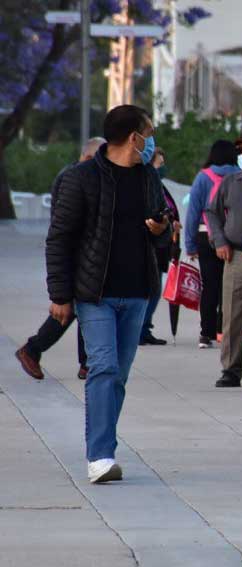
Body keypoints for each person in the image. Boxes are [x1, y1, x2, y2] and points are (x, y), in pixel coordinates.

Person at [45, 105, 170, 483]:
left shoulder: (148, 178)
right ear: (134, 137)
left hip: (138, 293)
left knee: (119, 377)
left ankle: (104, 442)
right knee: (103, 367)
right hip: (94, 293)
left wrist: (159, 228)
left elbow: (162, 230)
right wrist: (60, 294)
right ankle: (100, 455)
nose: (151, 141)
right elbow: (59, 238)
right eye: (148, 133)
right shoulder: (80, 179)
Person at [15, 136, 105, 381]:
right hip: (76, 254)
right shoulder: (75, 178)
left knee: (84, 306)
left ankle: (85, 362)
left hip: (83, 254)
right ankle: (33, 348)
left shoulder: (77, 175)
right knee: (74, 307)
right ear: (89, 156)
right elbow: (65, 227)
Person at [205, 148, 242, 387]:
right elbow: (211, 211)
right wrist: (219, 240)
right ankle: (230, 369)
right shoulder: (231, 181)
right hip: (236, 253)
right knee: (232, 313)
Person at [184, 140, 239, 348]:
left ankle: (205, 334)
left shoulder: (203, 177)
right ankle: (223, 331)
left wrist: (189, 245)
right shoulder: (239, 176)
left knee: (210, 287)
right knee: (230, 287)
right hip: (232, 237)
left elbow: (193, 213)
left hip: (205, 235)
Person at [139, 147, 181, 347]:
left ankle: (144, 327)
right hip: (153, 244)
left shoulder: (160, 186)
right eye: (160, 164)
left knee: (153, 289)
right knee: (152, 289)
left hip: (163, 244)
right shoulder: (149, 184)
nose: (162, 168)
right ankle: (141, 328)